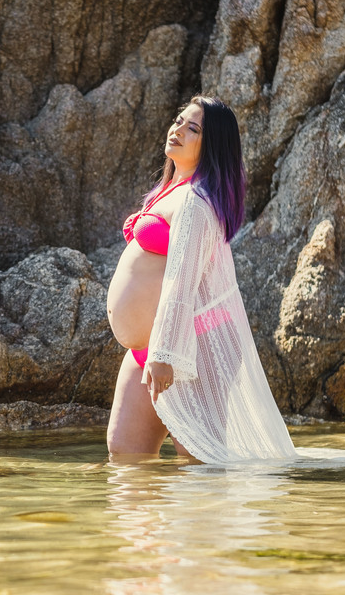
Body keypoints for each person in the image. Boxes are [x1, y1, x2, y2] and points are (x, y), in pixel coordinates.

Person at [105, 95, 296, 464]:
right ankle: (148, 525)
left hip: (187, 346)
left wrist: (163, 356)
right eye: (179, 120)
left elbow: (181, 282)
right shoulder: (169, 190)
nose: (178, 129)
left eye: (192, 128)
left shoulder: (197, 202)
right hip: (149, 349)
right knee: (125, 455)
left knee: (198, 463)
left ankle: (204, 522)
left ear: (212, 147)